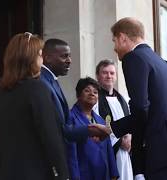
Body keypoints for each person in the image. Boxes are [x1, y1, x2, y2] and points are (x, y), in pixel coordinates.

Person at [104, 17, 167, 179]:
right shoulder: (162, 63)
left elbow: (141, 107)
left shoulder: (133, 58)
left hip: (163, 151)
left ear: (122, 38)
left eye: (114, 41)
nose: (114, 48)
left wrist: (111, 129)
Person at [0, 32, 70, 180]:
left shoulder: (4, 93)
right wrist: (63, 174)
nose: (42, 61)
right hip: (33, 171)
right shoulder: (37, 88)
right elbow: (50, 136)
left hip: (5, 171)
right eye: (40, 55)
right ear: (30, 59)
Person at [40, 38, 106, 178]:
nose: (69, 60)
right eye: (64, 56)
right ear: (47, 57)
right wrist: (90, 129)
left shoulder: (51, 81)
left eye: (69, 56)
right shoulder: (42, 83)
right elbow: (56, 129)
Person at [69, 77, 119, 180]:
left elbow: (109, 149)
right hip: (83, 174)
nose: (92, 94)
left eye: (95, 92)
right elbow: (71, 151)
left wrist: (113, 173)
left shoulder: (101, 120)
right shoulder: (70, 117)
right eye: (87, 90)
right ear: (78, 95)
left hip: (103, 175)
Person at [93, 59, 133, 180]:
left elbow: (132, 119)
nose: (109, 76)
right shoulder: (95, 100)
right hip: (109, 151)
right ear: (97, 76)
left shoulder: (123, 99)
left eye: (112, 73)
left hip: (126, 152)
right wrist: (120, 141)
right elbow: (96, 124)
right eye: (105, 73)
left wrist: (130, 138)